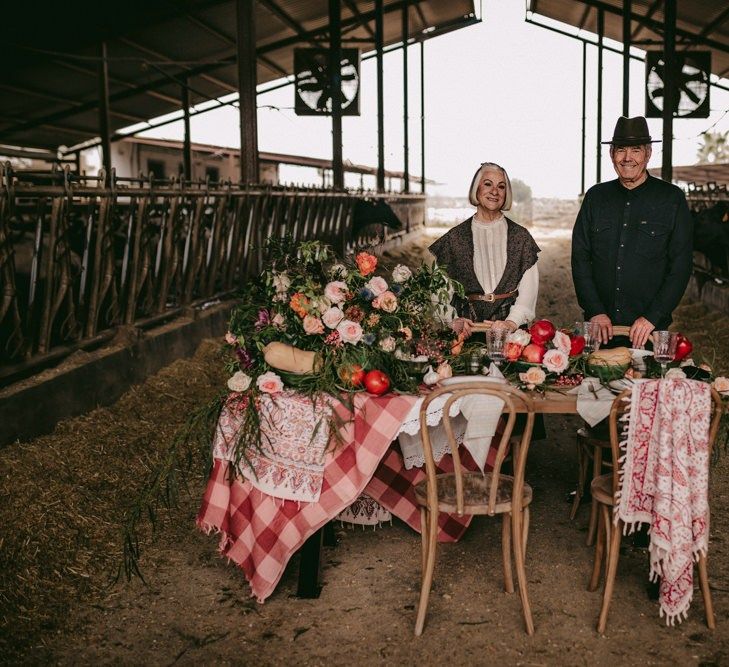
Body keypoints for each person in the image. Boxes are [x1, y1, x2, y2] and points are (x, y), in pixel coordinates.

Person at [571, 116, 693, 348]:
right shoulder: (596, 197)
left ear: (648, 153)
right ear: (611, 155)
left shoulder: (671, 199)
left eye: (635, 150)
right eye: (621, 150)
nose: (628, 158)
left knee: (647, 384)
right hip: (599, 330)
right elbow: (580, 258)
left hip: (648, 332)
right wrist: (595, 311)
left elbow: (681, 266)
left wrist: (652, 317)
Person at [428, 162, 540, 336]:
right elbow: (438, 294)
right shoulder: (453, 238)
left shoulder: (521, 237)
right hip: (466, 328)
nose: (494, 191)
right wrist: (452, 320)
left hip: (509, 329)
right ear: (476, 189)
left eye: (501, 187)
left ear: (506, 194)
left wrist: (511, 322)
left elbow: (529, 293)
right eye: (488, 184)